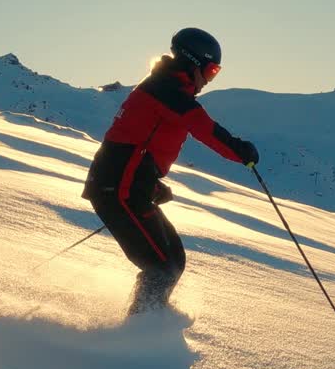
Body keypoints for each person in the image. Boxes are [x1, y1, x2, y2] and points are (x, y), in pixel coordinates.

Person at [82, 28, 260, 314]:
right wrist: (241, 151)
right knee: (161, 266)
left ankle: (149, 324)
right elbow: (205, 129)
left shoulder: (166, 88)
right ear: (194, 63)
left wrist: (149, 183)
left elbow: (137, 142)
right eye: (211, 70)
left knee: (174, 260)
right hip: (118, 190)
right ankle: (138, 334)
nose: (210, 79)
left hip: (126, 186)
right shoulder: (166, 90)